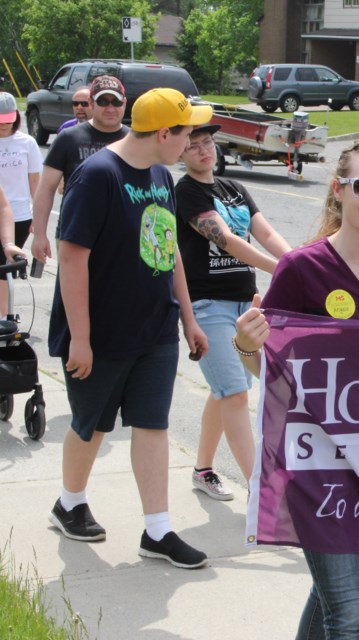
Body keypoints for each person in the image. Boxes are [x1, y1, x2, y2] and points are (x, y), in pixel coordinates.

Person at [234, 138, 359, 639]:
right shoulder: (302, 269)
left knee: (329, 598)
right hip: (315, 464)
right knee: (348, 617)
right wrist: (245, 345)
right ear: (339, 191)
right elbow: (275, 373)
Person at [46, 87, 214, 570]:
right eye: (186, 133)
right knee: (91, 425)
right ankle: (69, 502)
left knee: (153, 424)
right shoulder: (98, 175)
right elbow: (73, 257)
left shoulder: (161, 174)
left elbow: (169, 248)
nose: (191, 142)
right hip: (101, 332)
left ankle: (157, 529)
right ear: (164, 133)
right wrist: (80, 337)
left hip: (155, 327)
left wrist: (187, 316)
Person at [175, 122, 291, 499]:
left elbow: (266, 233)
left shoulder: (235, 189)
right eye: (193, 146)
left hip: (246, 305)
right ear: (179, 153)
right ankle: (265, 491)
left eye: (208, 143)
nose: (203, 150)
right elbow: (225, 240)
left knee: (227, 389)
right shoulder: (186, 193)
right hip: (208, 307)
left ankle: (203, 469)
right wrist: (280, 270)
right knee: (236, 395)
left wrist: (301, 263)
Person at [31, 75, 129, 265]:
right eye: (103, 101)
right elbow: (46, 189)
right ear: (92, 103)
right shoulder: (68, 138)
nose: (110, 108)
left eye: (116, 102)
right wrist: (39, 234)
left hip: (121, 236)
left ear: (124, 103)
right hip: (74, 234)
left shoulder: (133, 140)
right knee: (74, 293)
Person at [0, 92, 42, 313]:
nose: (3, 126)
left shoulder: (27, 143)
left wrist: (38, 214)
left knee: (4, 265)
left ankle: (5, 315)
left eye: (7, 121)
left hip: (19, 214)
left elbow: (35, 179)